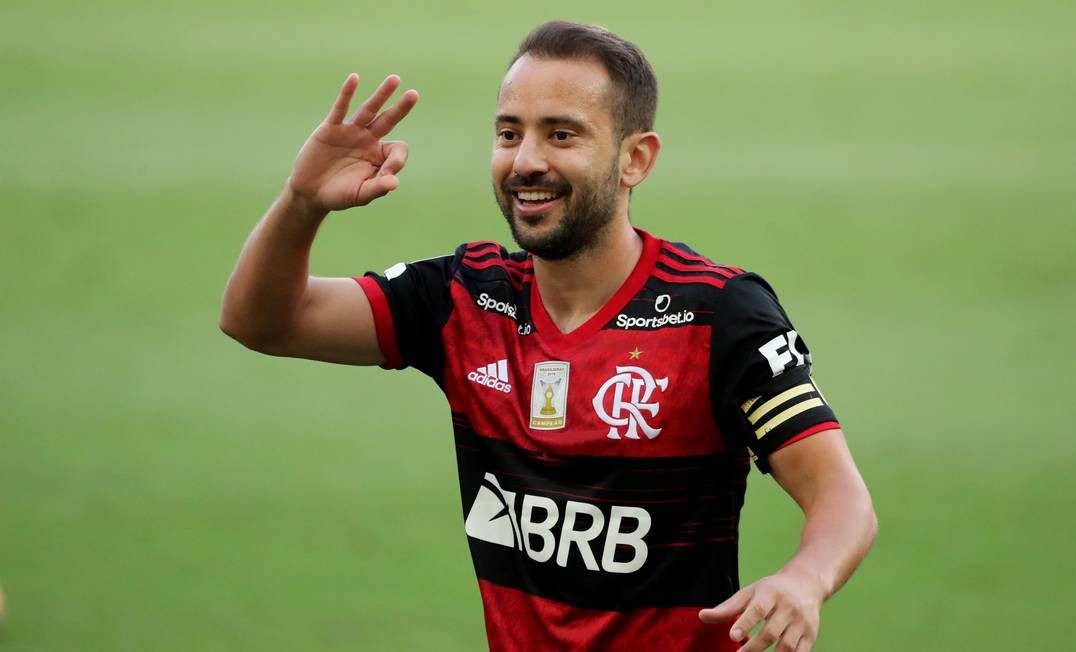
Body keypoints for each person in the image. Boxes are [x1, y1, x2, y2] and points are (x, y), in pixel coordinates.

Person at [220, 20, 877, 652]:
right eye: (509, 134)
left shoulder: (720, 315)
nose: (526, 161)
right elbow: (264, 320)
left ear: (635, 159)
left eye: (562, 135)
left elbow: (842, 498)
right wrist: (302, 203)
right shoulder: (463, 298)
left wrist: (805, 579)